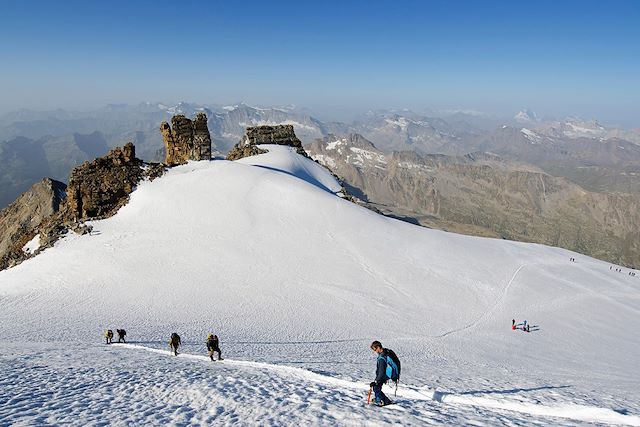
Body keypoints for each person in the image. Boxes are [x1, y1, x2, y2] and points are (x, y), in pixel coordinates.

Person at [369, 340, 398, 406]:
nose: (375, 351)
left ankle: (382, 400)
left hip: (384, 374)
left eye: (375, 349)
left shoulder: (382, 358)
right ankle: (380, 399)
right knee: (377, 387)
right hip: (386, 373)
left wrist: (376, 380)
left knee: (376, 387)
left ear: (378, 347)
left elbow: (381, 371)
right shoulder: (385, 352)